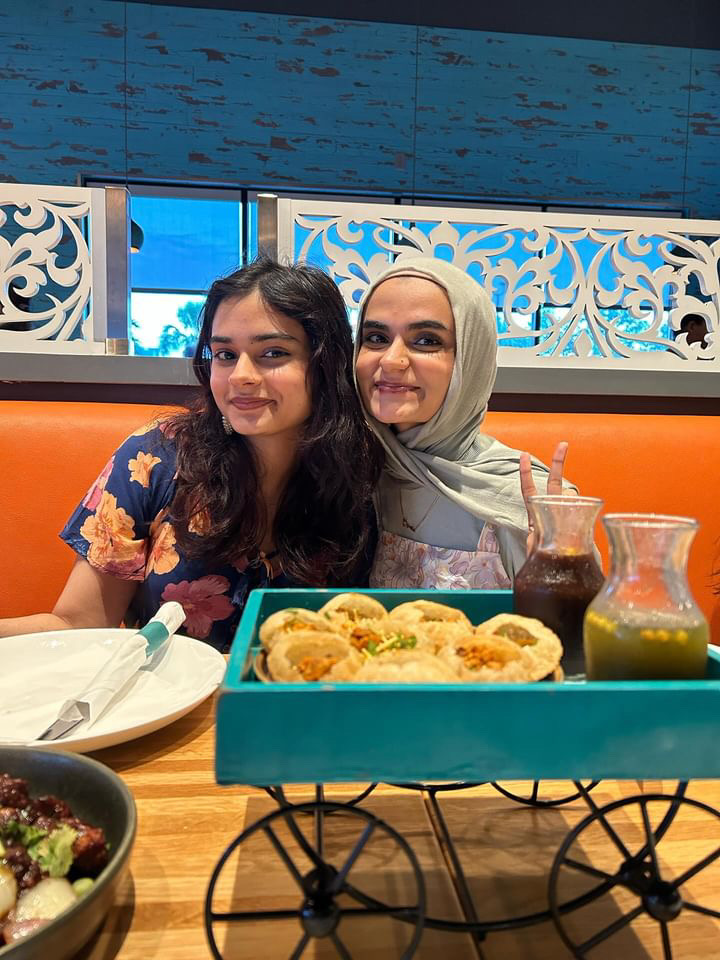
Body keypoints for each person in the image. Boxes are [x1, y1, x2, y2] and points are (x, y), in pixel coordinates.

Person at [0, 258, 381, 650]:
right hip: (171, 703)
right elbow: (80, 622)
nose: (241, 376)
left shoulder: (364, 474)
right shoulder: (156, 458)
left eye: (272, 353)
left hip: (304, 703)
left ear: (325, 363)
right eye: (225, 355)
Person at [354, 257, 574, 589]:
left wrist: (559, 587)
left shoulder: (525, 498)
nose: (391, 360)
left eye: (427, 340)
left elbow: (580, 635)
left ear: (471, 359)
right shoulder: (357, 472)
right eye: (375, 338)